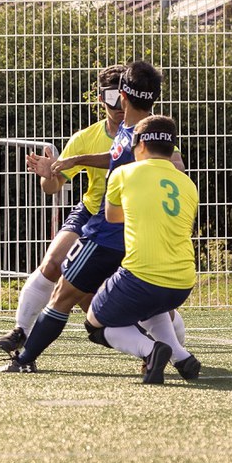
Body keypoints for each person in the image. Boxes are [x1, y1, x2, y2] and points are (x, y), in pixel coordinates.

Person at [0, 60, 197, 375]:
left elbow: (118, 200)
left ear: (123, 97)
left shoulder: (135, 137)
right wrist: (74, 160)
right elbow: (139, 158)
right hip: (149, 244)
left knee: (68, 299)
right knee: (154, 308)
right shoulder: (145, 131)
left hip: (106, 235)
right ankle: (179, 356)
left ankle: (23, 360)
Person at [0, 64, 126, 352]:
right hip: (93, 213)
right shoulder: (85, 137)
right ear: (101, 99)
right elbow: (52, 187)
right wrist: (49, 175)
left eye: (124, 96)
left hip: (133, 219)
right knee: (53, 263)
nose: (119, 105)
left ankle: (166, 346)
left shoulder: (147, 133)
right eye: (112, 97)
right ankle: (21, 331)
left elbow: (170, 164)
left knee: (137, 296)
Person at [83, 115, 200, 384]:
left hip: (141, 276)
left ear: (141, 146)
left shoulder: (123, 173)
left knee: (94, 324)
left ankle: (151, 351)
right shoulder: (188, 184)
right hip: (182, 282)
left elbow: (113, 217)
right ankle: (181, 357)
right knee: (152, 307)